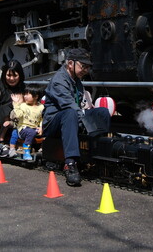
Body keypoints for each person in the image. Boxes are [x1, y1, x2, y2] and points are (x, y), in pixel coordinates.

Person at [43, 48, 111, 186]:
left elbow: (79, 106)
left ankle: (101, 151)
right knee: (70, 113)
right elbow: (69, 106)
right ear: (70, 64)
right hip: (53, 123)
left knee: (102, 112)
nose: (86, 70)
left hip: (72, 117)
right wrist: (87, 122)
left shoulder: (76, 80)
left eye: (88, 67)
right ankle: (70, 163)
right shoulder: (59, 81)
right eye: (83, 66)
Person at [8, 86, 44, 160]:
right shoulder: (22, 105)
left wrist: (41, 127)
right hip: (23, 128)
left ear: (36, 96)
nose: (25, 96)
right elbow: (18, 115)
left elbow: (42, 119)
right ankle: (26, 151)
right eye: (25, 94)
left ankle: (43, 149)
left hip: (35, 128)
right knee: (30, 132)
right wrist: (16, 104)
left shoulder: (41, 107)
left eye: (28, 94)